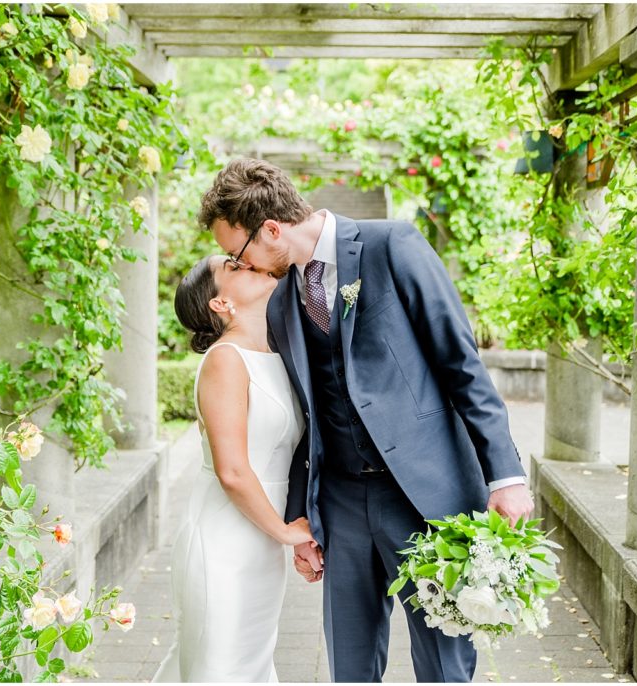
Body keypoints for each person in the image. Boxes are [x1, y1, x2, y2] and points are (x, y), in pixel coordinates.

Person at [199, 158, 535, 683]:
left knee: (445, 666)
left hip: (427, 497)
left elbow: (461, 363)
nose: (246, 267)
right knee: (350, 668)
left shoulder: (392, 245)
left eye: (238, 253)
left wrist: (506, 477)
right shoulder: (284, 297)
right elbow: (303, 416)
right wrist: (299, 518)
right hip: (340, 503)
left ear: (270, 230)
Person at [152, 254, 313, 682]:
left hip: (259, 543)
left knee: (248, 666)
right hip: (224, 542)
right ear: (220, 305)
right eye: (233, 267)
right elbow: (233, 472)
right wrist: (287, 532)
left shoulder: (275, 355)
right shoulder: (225, 361)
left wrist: (288, 533)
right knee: (219, 669)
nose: (250, 262)